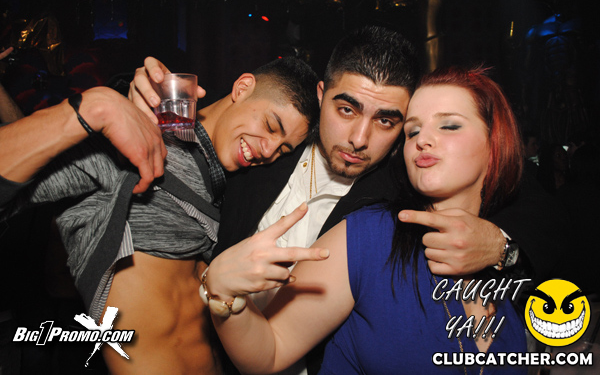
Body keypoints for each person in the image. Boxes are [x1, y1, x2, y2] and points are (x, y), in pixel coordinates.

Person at [0, 56, 319, 374]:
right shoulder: (137, 141)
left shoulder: (233, 186)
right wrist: (98, 106)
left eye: (283, 149)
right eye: (271, 126)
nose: (269, 151)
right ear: (242, 87)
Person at [204, 66, 528, 375]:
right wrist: (225, 295)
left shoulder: (507, 263)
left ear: (495, 140)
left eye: (449, 125)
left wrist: (503, 248)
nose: (423, 140)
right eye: (413, 131)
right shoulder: (369, 236)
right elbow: (271, 349)